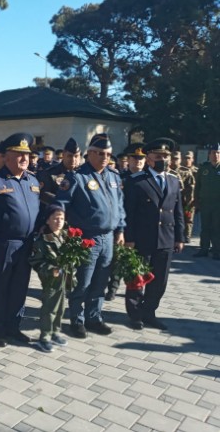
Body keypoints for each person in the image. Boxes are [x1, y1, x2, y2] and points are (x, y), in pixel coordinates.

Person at [55, 133, 126, 338]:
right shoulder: (77, 177)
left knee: (100, 282)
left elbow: (119, 206)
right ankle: (76, 320)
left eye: (108, 154)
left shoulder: (114, 176)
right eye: (100, 153)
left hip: (109, 238)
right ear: (90, 154)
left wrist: (120, 229)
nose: (105, 158)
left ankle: (94, 317)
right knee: (83, 282)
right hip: (87, 237)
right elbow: (61, 203)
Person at [123, 138, 185, 330]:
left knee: (159, 281)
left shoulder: (173, 181)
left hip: (166, 239)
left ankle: (149, 312)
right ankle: (135, 315)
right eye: (158, 156)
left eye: (166, 156)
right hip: (142, 239)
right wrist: (129, 238)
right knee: (137, 279)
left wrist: (179, 237)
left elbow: (178, 211)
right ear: (148, 158)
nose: (163, 160)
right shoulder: (137, 182)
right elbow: (129, 213)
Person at [0, 133, 40, 347]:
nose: (24, 159)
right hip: (4, 243)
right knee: (0, 288)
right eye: (18, 154)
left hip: (27, 244)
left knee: (20, 287)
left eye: (26, 155)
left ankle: (14, 326)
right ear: (7, 157)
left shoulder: (33, 180)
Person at [106, 142, 146, 301]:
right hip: (121, 225)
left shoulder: (148, 180)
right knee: (116, 259)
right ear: (128, 159)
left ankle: (136, 291)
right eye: (135, 158)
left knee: (137, 262)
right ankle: (113, 288)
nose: (138, 161)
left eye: (141, 158)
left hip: (140, 227)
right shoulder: (119, 179)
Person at [29, 203, 69, 353]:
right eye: (55, 218)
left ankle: (55, 332)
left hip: (64, 279)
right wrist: (51, 270)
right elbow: (36, 262)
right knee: (49, 308)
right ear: (47, 220)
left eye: (62, 218)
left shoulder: (65, 236)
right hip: (51, 280)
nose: (59, 222)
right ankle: (44, 336)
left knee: (61, 308)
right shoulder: (43, 240)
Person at [194, 144, 220, 259]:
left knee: (217, 228)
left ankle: (217, 251)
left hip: (218, 204)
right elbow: (197, 186)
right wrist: (196, 201)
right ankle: (203, 249)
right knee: (205, 228)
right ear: (209, 155)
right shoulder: (204, 168)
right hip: (205, 203)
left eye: (218, 153)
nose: (216, 155)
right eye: (213, 153)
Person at [169, 151, 195, 244]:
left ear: (180, 160)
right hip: (171, 200)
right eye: (173, 158)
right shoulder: (167, 171)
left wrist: (190, 201)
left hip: (184, 200)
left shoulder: (185, 171)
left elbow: (190, 187)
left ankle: (186, 235)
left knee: (187, 218)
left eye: (176, 159)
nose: (174, 161)